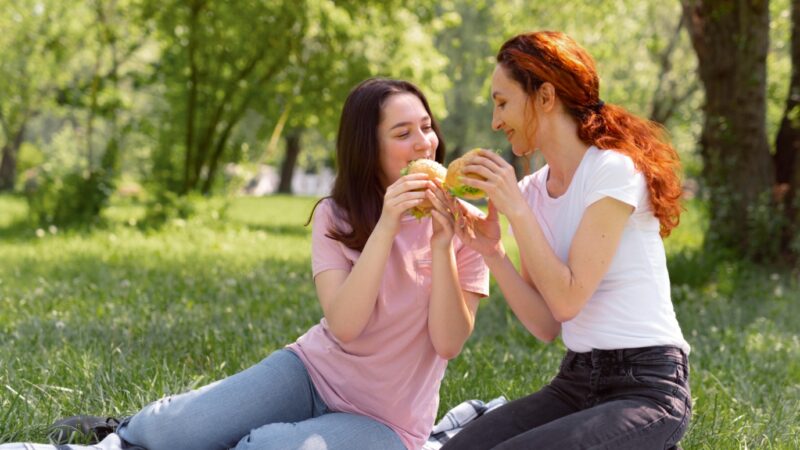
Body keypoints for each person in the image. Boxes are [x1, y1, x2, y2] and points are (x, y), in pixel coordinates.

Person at [0, 78, 489, 450]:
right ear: (368, 148)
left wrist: (443, 244)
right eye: (403, 133)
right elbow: (344, 325)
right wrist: (385, 226)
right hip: (312, 372)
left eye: (426, 127)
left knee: (266, 447)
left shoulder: (467, 224)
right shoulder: (335, 216)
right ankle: (127, 430)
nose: (425, 143)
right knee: (180, 430)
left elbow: (448, 342)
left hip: (387, 422)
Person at [440, 31, 691, 449]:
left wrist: (517, 211)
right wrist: (493, 252)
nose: (495, 122)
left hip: (647, 387)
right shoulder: (535, 191)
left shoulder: (612, 170)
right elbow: (545, 324)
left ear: (545, 96)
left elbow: (568, 299)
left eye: (502, 103)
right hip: (576, 381)